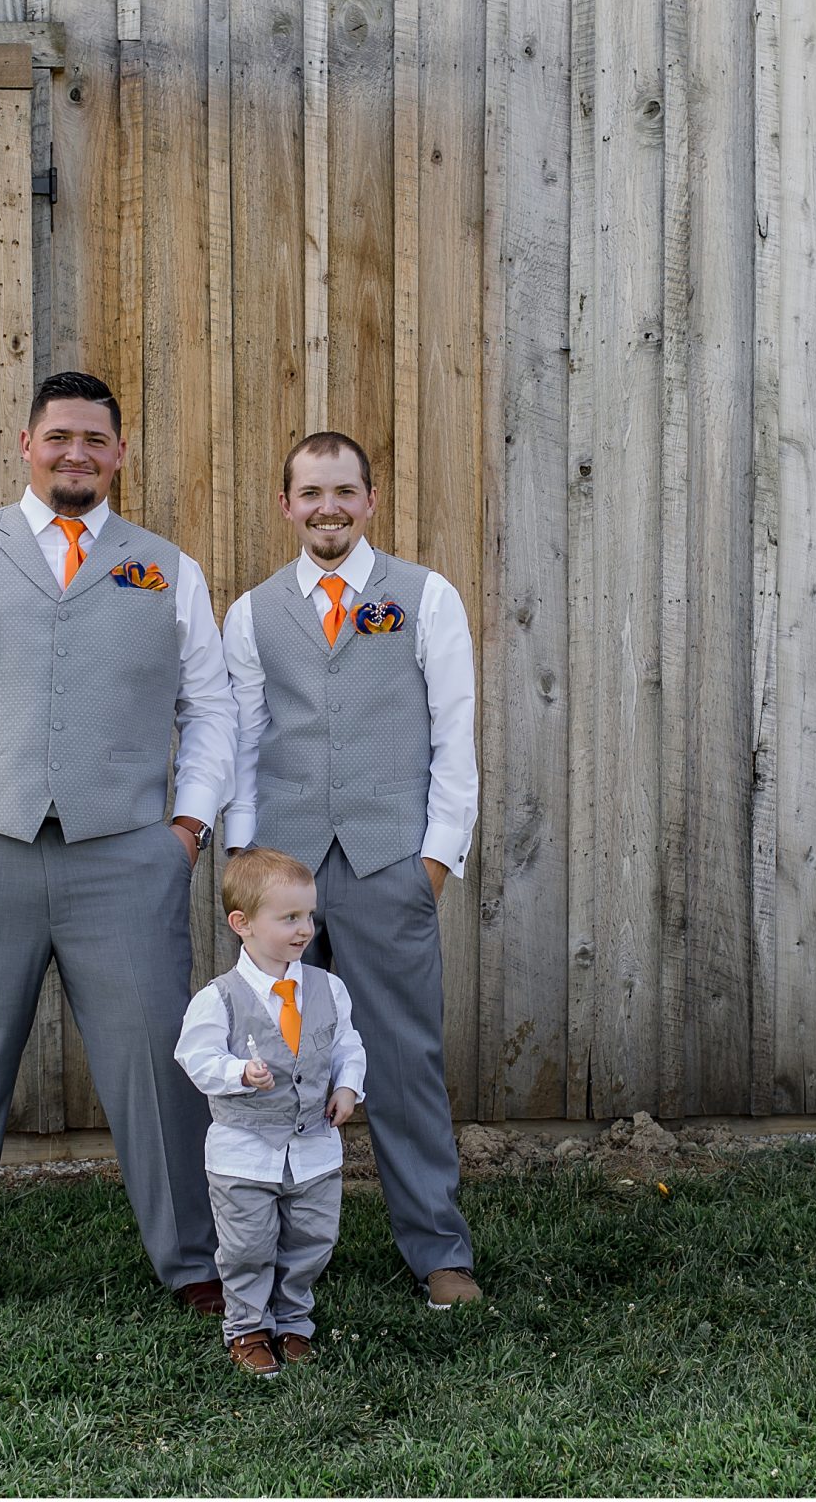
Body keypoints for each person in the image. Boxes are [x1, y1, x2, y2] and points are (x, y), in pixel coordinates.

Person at [0, 370, 234, 1326]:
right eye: (59, 436)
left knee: (156, 1067)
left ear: (118, 454)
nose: (77, 453)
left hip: (123, 857)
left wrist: (185, 830)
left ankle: (196, 1263)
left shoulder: (165, 568)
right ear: (26, 445)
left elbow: (212, 708)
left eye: (95, 440)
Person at [220, 431, 482, 1310]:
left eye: (343, 492)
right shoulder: (252, 612)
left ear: (370, 500)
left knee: (402, 1060)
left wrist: (435, 861)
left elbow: (454, 737)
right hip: (282, 874)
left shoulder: (424, 597)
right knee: (271, 1062)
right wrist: (243, 862)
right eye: (309, 493)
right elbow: (244, 743)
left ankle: (438, 1250)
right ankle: (275, 1255)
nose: (326, 508)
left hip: (385, 864)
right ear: (287, 505)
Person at [174, 848, 367, 1376]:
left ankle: (293, 1323)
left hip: (313, 1150)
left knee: (311, 1241)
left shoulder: (328, 989)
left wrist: (348, 1088)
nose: (305, 929)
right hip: (245, 1155)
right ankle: (248, 1329)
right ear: (243, 925)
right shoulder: (220, 999)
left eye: (308, 915)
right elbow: (195, 1057)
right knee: (247, 1246)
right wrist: (239, 1073)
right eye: (289, 918)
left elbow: (347, 1044)